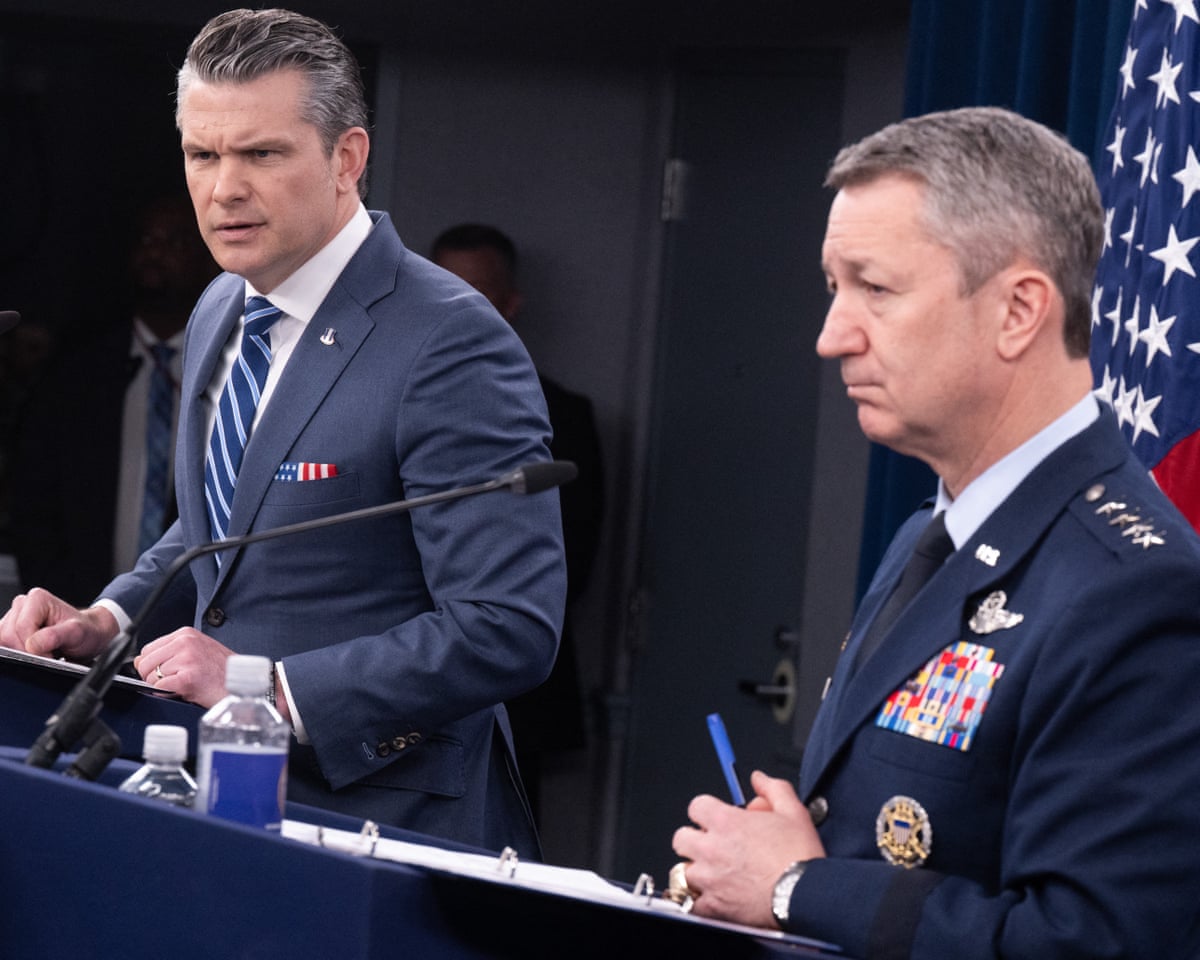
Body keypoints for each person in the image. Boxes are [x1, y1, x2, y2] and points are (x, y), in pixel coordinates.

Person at [0, 8, 565, 858]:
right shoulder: (221, 304)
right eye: (203, 154)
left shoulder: (451, 340)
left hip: (387, 829)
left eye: (261, 154)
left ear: (347, 158)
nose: (224, 188)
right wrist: (109, 620)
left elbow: (507, 626)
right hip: (225, 809)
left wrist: (263, 687)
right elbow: (229, 526)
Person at [670, 107, 1200, 959]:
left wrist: (798, 888)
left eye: (875, 289)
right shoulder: (935, 533)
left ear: (1018, 311)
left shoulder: (1135, 589)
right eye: (833, 287)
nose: (831, 336)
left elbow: (1093, 943)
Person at [431, 224, 604, 812]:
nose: (455, 306)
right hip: (386, 687)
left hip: (514, 690)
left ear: (510, 305)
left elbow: (572, 561)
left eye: (475, 293)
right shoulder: (374, 394)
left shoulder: (565, 415)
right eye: (442, 287)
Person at [11, 194, 217, 609]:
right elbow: (34, 505)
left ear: (208, 259)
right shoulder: (77, 374)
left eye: (174, 241)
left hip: (192, 623)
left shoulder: (227, 370)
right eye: (146, 240)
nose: (155, 252)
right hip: (77, 611)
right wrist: (73, 610)